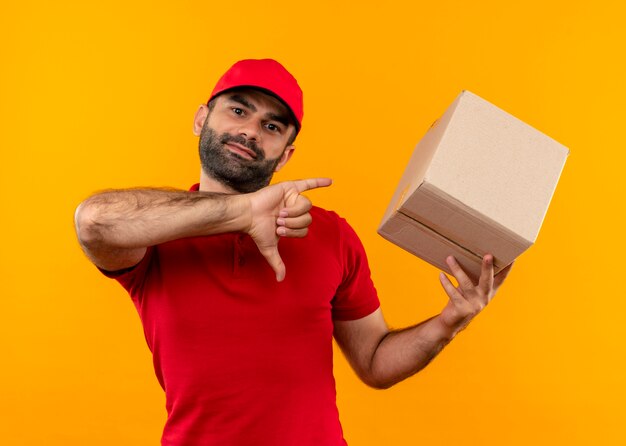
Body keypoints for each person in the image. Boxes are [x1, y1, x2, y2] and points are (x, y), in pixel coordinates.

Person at [74, 59, 512, 445]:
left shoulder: (332, 236)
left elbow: (376, 363)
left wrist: (449, 323)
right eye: (238, 110)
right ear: (201, 119)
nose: (249, 130)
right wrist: (244, 211)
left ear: (285, 155)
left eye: (272, 126)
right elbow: (93, 220)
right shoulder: (156, 232)